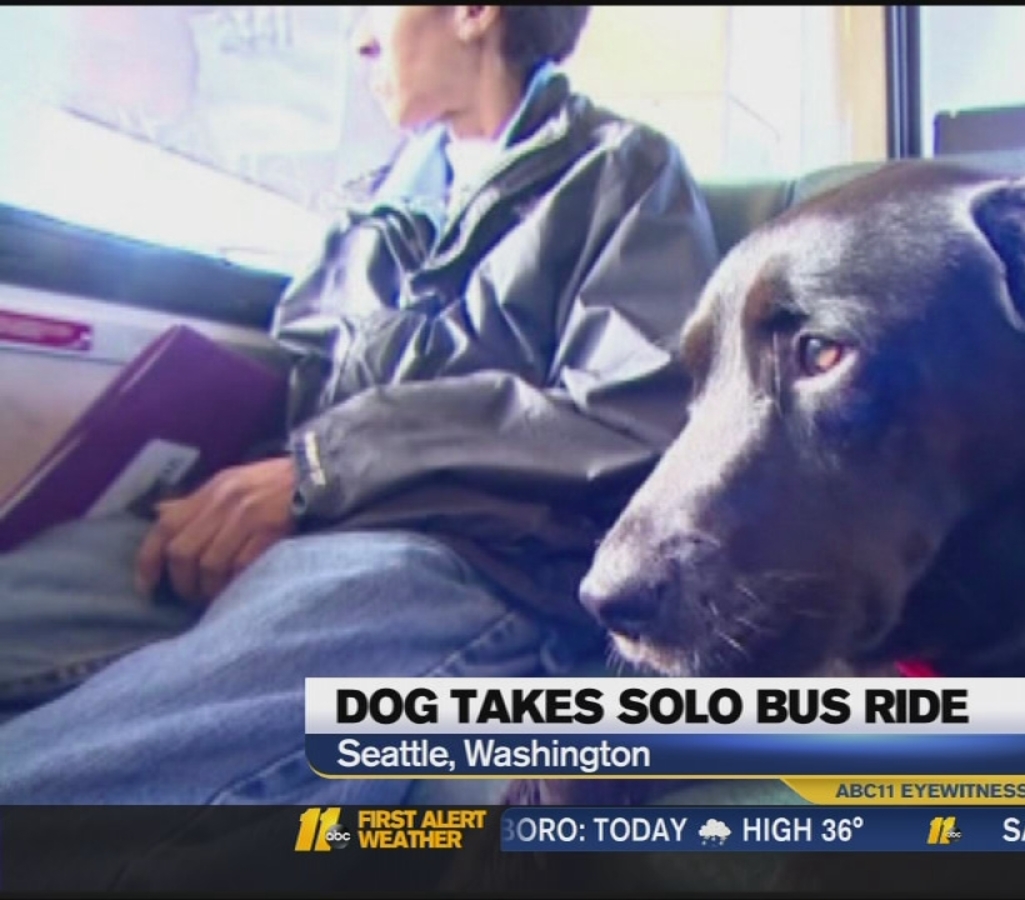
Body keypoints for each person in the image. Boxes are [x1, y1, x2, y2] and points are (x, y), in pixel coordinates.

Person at [0, 5, 720, 805]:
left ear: (475, 14)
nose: (359, 38)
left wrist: (326, 467)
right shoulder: (368, 205)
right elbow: (311, 373)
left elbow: (631, 419)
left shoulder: (624, 171)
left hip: (471, 561)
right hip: (301, 524)